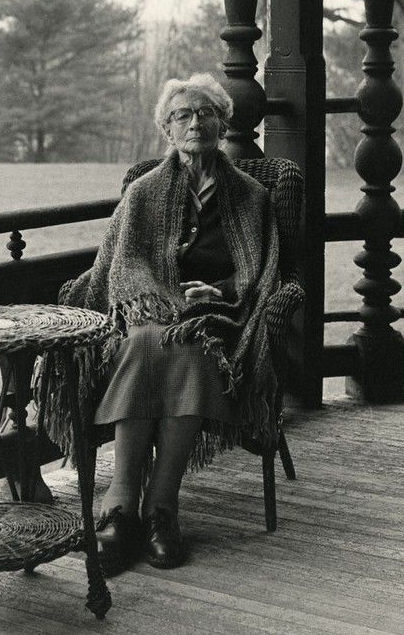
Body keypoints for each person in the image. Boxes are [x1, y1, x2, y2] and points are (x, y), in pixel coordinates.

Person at [42, 73, 285, 575]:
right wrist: (169, 298)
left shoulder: (252, 196)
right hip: (148, 311)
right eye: (183, 115)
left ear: (222, 123)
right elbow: (124, 266)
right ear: (167, 131)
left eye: (205, 113)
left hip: (220, 320)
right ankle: (122, 505)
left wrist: (219, 292)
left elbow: (261, 271)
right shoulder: (145, 191)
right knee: (149, 341)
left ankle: (160, 508)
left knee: (191, 348)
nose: (196, 122)